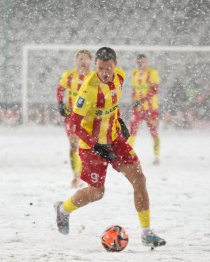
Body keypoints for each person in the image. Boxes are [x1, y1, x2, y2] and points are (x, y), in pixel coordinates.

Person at [54, 47, 166, 248]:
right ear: (95, 66)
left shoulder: (120, 77)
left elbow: (112, 105)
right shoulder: (88, 90)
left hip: (115, 139)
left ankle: (147, 232)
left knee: (139, 179)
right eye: (100, 68)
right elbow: (75, 124)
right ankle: (63, 209)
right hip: (91, 147)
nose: (105, 72)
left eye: (108, 68)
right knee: (97, 193)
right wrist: (96, 145)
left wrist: (120, 121)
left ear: (115, 65)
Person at [56, 50, 93, 188]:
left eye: (85, 59)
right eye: (80, 58)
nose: (83, 61)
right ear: (76, 60)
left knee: (87, 147)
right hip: (72, 115)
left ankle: (85, 175)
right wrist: (60, 104)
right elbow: (60, 89)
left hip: (88, 116)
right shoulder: (70, 75)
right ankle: (76, 175)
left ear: (90, 61)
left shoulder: (94, 77)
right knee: (73, 145)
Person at [128, 54, 162, 165]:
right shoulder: (134, 73)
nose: (141, 64)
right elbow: (134, 90)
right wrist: (134, 102)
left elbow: (154, 89)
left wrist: (142, 100)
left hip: (151, 109)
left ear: (147, 62)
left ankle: (156, 156)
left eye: (143, 61)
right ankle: (128, 156)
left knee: (153, 131)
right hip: (138, 109)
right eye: (139, 62)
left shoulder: (152, 73)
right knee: (132, 131)